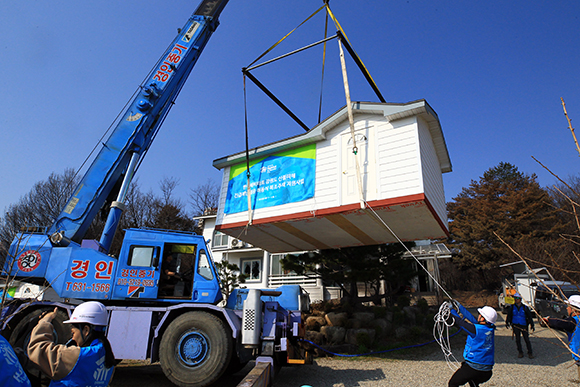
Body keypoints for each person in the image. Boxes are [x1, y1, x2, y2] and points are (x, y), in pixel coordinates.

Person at [27, 301, 116, 387]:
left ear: (86, 330)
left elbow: (38, 348)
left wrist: (46, 320)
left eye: (73, 332)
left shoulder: (78, 356)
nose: (73, 338)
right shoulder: (106, 355)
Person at [447, 301, 497, 387]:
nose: (478, 316)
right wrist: (459, 306)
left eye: (480, 315)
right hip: (487, 370)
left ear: (483, 319)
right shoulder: (490, 328)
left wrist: (451, 310)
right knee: (473, 381)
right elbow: (471, 318)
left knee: (453, 383)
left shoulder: (475, 330)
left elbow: (460, 323)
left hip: (474, 367)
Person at [543, 294, 580, 380]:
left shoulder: (573, 321)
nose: (567, 308)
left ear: (574, 309)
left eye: (568, 306)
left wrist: (549, 319)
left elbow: (561, 323)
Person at [505, 292, 535, 358]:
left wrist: (532, 325)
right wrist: (507, 322)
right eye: (515, 298)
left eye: (517, 298)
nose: (516, 299)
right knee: (518, 340)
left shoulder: (525, 308)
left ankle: (530, 352)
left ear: (520, 299)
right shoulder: (512, 307)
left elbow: (530, 316)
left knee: (526, 339)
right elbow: (509, 315)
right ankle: (520, 352)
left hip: (523, 325)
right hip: (516, 325)